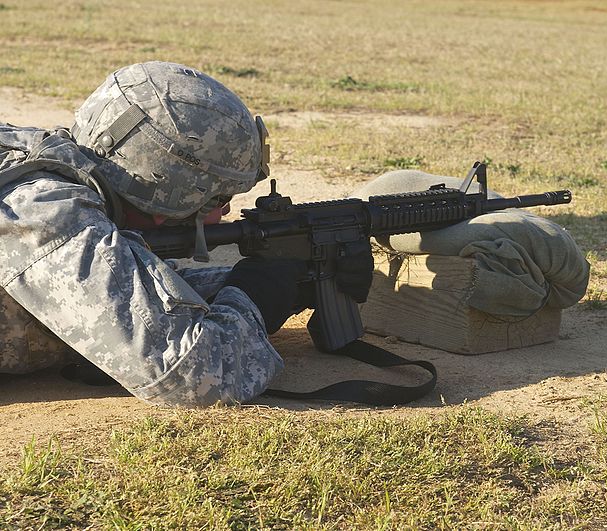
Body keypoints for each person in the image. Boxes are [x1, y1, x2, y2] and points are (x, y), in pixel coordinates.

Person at [0, 61, 372, 407]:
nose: (226, 211)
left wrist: (287, 281)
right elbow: (193, 376)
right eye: (219, 196)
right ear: (172, 190)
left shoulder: (59, 167)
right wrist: (253, 300)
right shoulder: (48, 213)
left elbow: (127, 284)